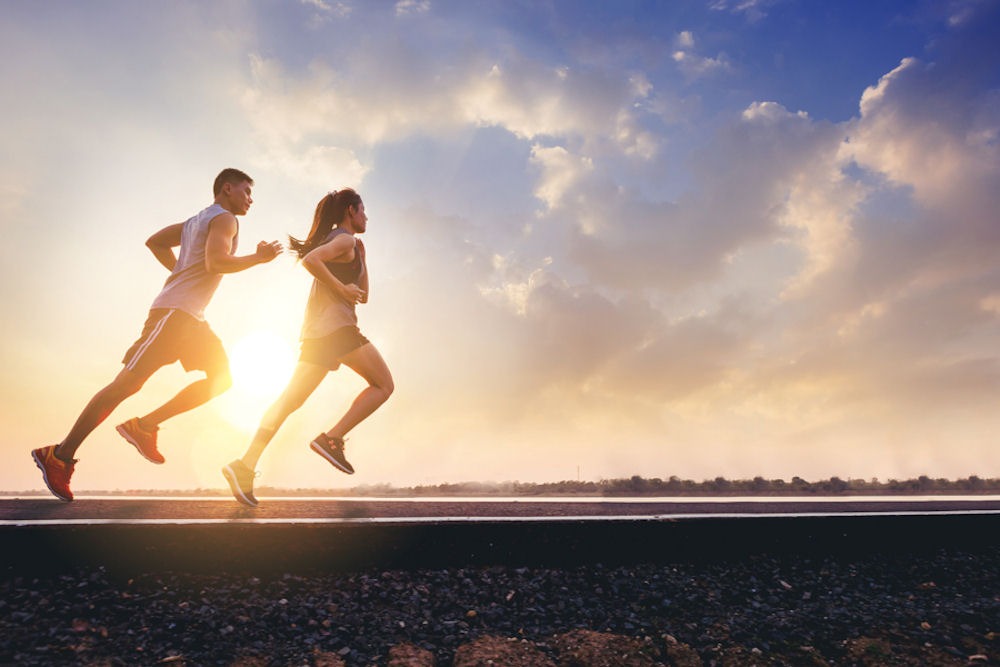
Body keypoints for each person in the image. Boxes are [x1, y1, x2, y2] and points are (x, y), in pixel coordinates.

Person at [31, 168, 282, 501]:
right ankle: (59, 455)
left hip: (190, 318)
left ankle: (144, 426)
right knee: (125, 385)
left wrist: (181, 271)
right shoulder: (225, 220)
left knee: (222, 379)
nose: (250, 199)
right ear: (226, 189)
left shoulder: (196, 221)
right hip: (174, 315)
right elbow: (217, 263)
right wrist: (258, 258)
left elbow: (156, 242)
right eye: (246, 191)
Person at [222, 188, 393, 507]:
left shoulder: (349, 244)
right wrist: (341, 285)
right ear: (351, 210)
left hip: (317, 334)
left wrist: (361, 259)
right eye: (363, 210)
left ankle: (244, 465)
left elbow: (363, 295)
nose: (367, 217)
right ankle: (332, 439)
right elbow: (310, 261)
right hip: (338, 330)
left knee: (289, 401)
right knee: (384, 385)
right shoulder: (343, 240)